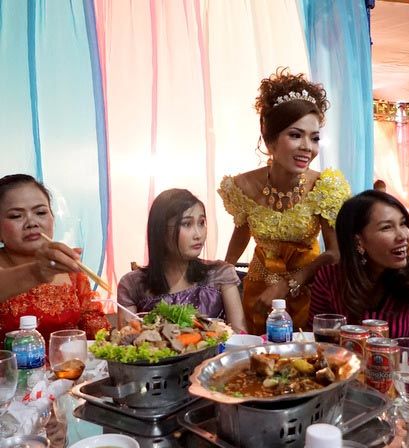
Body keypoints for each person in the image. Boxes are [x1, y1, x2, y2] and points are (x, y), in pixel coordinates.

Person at [219, 69, 350, 334]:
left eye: (314, 138)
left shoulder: (325, 185)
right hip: (259, 287)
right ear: (270, 141)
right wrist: (223, 272)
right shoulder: (242, 186)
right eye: (295, 135)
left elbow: (335, 253)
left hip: (310, 288)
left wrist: (291, 282)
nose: (307, 147)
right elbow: (242, 232)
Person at [309, 191, 409, 346]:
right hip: (341, 368)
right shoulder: (329, 278)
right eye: (387, 227)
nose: (403, 236)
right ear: (358, 240)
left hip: (401, 369)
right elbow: (314, 341)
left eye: (403, 223)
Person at [0, 174, 109, 343]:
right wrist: (37, 271)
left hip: (70, 368)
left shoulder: (69, 267)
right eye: (16, 216)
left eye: (40, 212)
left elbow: (96, 329)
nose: (32, 222)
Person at [118, 189, 246, 332]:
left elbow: (240, 336)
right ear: (161, 230)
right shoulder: (131, 284)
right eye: (187, 224)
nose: (198, 234)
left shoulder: (221, 273)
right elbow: (127, 341)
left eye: (202, 222)